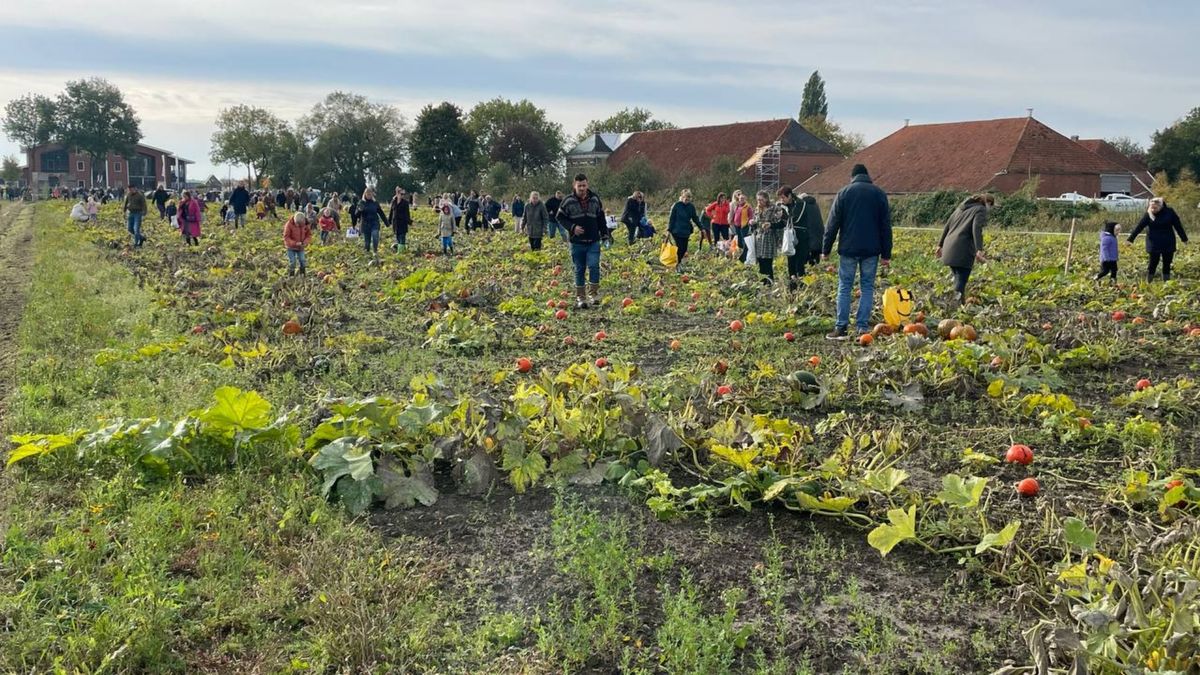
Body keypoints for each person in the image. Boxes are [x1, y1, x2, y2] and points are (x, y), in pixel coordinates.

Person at [821, 163, 892, 339]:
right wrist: (886, 253)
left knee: (845, 286)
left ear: (852, 177)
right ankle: (862, 327)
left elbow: (832, 224)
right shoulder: (879, 194)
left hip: (848, 249)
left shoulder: (844, 193)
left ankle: (841, 328)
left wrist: (826, 249)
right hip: (871, 250)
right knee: (867, 287)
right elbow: (885, 226)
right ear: (868, 176)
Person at [556, 174, 608, 308]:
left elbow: (600, 217)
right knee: (579, 269)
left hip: (593, 241)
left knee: (594, 266)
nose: (582, 188)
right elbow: (560, 217)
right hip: (577, 242)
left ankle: (594, 294)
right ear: (574, 186)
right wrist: (572, 227)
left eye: (584, 185)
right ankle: (581, 297)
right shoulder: (568, 201)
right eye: (579, 186)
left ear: (587, 185)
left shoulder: (595, 199)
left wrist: (605, 234)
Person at [936, 194, 992, 306]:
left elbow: (947, 225)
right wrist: (979, 249)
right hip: (963, 248)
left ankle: (960, 306)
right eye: (991, 205)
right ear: (988, 203)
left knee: (958, 278)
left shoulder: (960, 208)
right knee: (961, 279)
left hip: (949, 247)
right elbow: (976, 228)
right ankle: (953, 306)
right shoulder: (980, 209)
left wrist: (940, 245)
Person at [1127, 197, 1188, 281]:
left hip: (1168, 241)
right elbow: (1139, 227)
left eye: (1155, 208)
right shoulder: (1148, 214)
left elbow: (1178, 226)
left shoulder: (1170, 212)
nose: (1153, 209)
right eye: (1151, 207)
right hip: (1153, 242)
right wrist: (1130, 239)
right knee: (1153, 263)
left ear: (1161, 206)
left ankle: (1166, 283)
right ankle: (1149, 281)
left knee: (1167, 263)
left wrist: (1184, 238)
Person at [777, 186, 810, 289]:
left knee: (800, 264)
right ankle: (792, 288)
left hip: (801, 238)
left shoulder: (801, 204)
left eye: (783, 197)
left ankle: (801, 288)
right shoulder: (784, 207)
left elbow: (795, 219)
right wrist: (772, 224)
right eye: (781, 198)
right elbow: (783, 223)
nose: (782, 200)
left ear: (790, 195)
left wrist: (783, 216)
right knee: (790, 263)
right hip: (790, 239)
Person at [752, 190, 786, 282]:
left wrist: (770, 224)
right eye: (758, 200)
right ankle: (762, 283)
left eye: (761, 200)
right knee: (761, 262)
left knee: (767, 262)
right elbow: (756, 222)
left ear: (766, 199)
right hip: (759, 238)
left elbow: (780, 223)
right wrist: (752, 223)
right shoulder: (757, 209)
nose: (759, 202)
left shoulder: (774, 208)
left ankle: (770, 283)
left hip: (769, 238)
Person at [667, 189, 702, 268]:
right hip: (676, 230)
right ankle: (678, 264)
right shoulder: (676, 205)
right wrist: (669, 230)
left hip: (685, 231)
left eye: (689, 198)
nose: (687, 199)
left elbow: (695, 218)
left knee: (684, 249)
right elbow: (671, 218)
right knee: (679, 247)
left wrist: (701, 228)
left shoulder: (691, 207)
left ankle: (679, 262)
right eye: (685, 197)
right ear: (682, 197)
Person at [357, 188, 386, 262]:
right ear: (365, 194)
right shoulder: (361, 202)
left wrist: (387, 222)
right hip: (365, 224)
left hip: (374, 223)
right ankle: (367, 254)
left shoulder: (375, 203)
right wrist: (360, 210)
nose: (369, 195)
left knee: (375, 235)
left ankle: (375, 251)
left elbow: (380, 212)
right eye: (368, 194)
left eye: (370, 194)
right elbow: (356, 214)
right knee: (367, 242)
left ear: (372, 194)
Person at [796, 192, 824, 268]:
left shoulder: (803, 206)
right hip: (818, 235)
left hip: (807, 236)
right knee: (815, 260)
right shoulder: (815, 205)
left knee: (804, 262)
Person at [284, 211, 312, 276]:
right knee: (293, 262)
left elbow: (309, 235)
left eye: (300, 224)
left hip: (301, 247)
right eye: (297, 224)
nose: (298, 225)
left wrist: (305, 242)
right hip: (290, 247)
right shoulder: (288, 225)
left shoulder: (306, 224)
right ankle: (291, 275)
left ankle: (302, 275)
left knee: (302, 260)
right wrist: (295, 243)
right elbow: (286, 237)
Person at [730, 190, 754, 262]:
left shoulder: (747, 207)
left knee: (744, 241)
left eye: (743, 199)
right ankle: (740, 252)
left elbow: (751, 215)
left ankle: (744, 254)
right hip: (737, 225)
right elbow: (735, 214)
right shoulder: (737, 206)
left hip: (744, 226)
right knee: (739, 241)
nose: (741, 200)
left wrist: (749, 222)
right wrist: (732, 221)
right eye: (740, 199)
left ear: (745, 199)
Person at [388, 187, 412, 251]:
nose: (402, 195)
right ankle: (400, 249)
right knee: (398, 237)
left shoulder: (405, 203)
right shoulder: (394, 201)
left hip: (403, 222)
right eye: (401, 194)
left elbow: (407, 213)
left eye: (403, 194)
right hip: (395, 223)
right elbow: (391, 212)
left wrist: (409, 221)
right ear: (397, 193)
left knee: (402, 237)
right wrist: (389, 221)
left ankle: (401, 252)